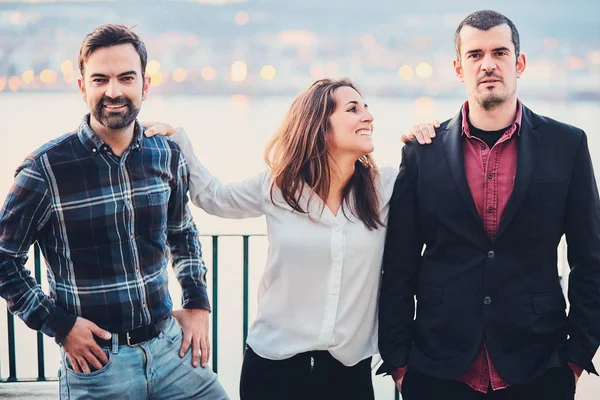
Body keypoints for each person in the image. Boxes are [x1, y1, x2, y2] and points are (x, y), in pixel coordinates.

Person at [143, 78, 437, 400]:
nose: (368, 116)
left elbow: (443, 193)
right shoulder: (278, 187)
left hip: (348, 372)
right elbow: (214, 197)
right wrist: (178, 140)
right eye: (353, 109)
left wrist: (431, 138)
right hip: (273, 369)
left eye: (366, 107)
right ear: (320, 127)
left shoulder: (386, 187)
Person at [377, 9, 600, 400]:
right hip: (437, 368)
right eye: (475, 55)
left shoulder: (567, 145)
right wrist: (398, 362)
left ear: (520, 62)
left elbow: (591, 260)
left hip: (540, 366)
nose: (488, 64)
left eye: (499, 52)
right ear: (459, 68)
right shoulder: (421, 154)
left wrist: (577, 357)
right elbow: (398, 265)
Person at [0, 24, 228, 400]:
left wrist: (198, 303)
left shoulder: (165, 154)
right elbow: (5, 259)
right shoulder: (46, 169)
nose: (114, 91)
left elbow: (182, 233)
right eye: (100, 79)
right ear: (82, 87)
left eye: (126, 78)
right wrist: (59, 325)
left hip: (173, 350)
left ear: (145, 85)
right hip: (99, 365)